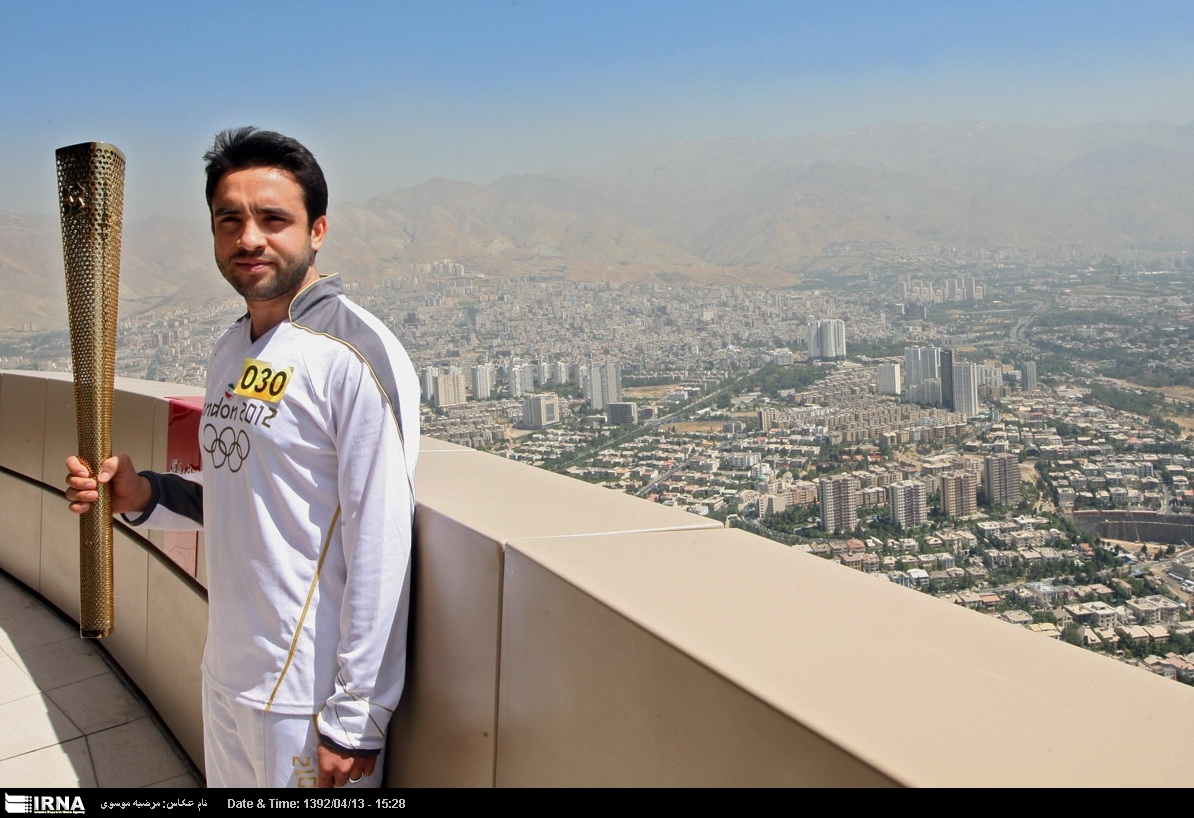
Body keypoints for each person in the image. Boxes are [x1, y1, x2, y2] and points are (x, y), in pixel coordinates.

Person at [65, 128, 420, 789]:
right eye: (229, 220)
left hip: (308, 700)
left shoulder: (356, 354)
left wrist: (358, 716)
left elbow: (383, 541)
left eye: (273, 219)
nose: (248, 238)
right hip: (226, 676)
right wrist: (140, 495)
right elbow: (236, 499)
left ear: (317, 230)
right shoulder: (231, 350)